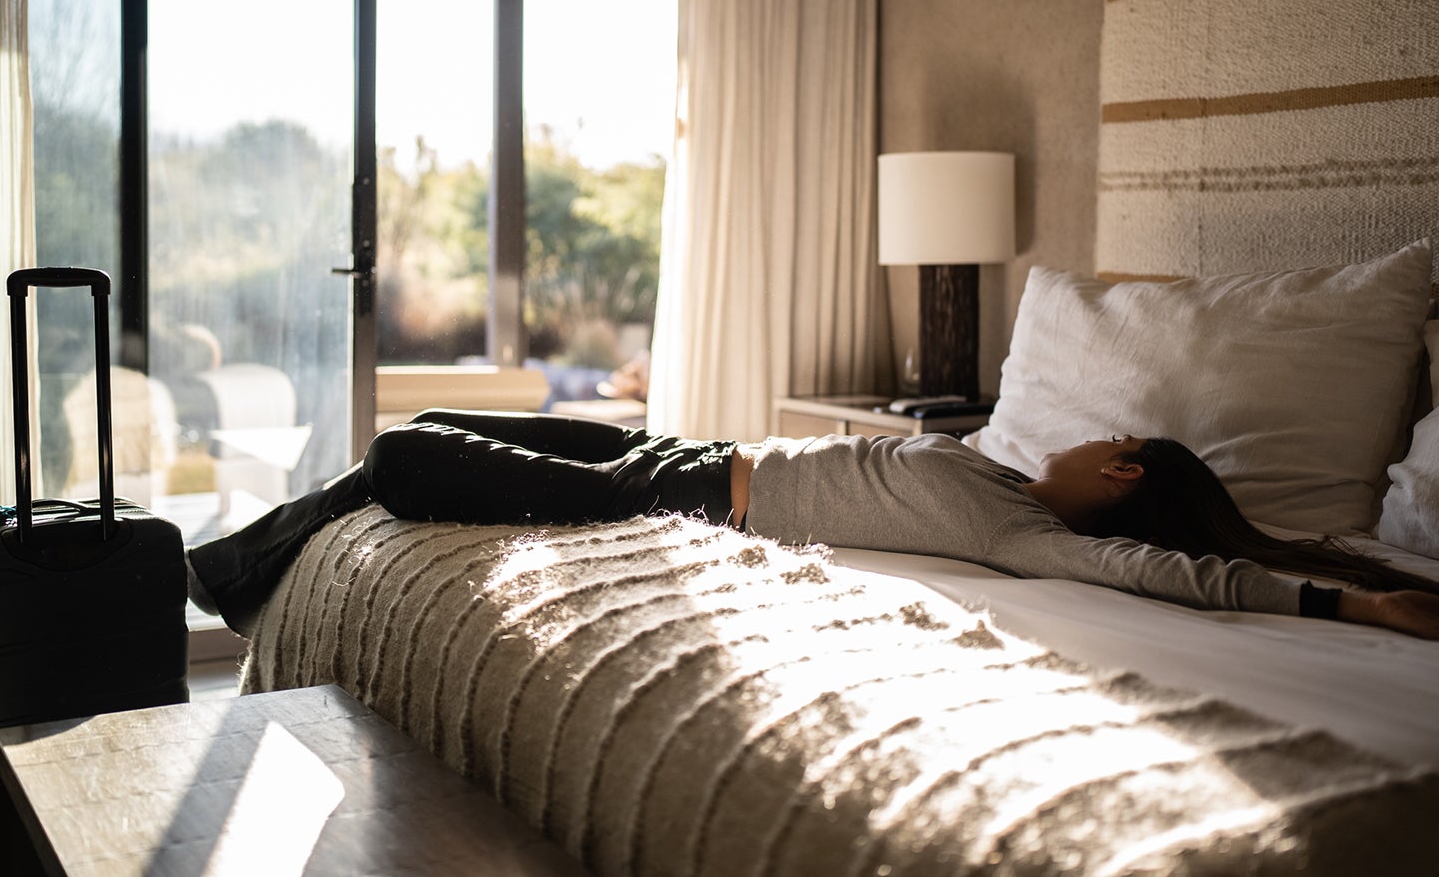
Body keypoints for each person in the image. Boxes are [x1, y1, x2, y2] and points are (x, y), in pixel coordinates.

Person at [185, 409, 1439, 641]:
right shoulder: (997, 476)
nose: (1065, 437)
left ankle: (224, 571)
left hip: (662, 495)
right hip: (672, 441)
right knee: (437, 420)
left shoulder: (1030, 536)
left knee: (406, 455)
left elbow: (1183, 577)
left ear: (1117, 468)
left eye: (1093, 437)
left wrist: (1355, 599)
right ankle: (238, 570)